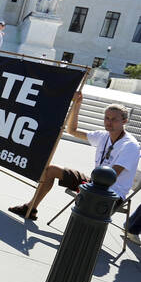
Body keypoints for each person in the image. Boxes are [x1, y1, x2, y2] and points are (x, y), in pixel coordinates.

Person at [8, 92, 140, 220]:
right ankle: (30, 208)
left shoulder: (130, 145)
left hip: (111, 193)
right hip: (94, 183)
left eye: (114, 119)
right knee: (51, 170)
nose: (109, 122)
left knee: (84, 220)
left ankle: (80, 235)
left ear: (124, 121)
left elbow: (110, 177)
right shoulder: (103, 136)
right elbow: (72, 130)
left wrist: (86, 187)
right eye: (107, 118)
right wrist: (77, 104)